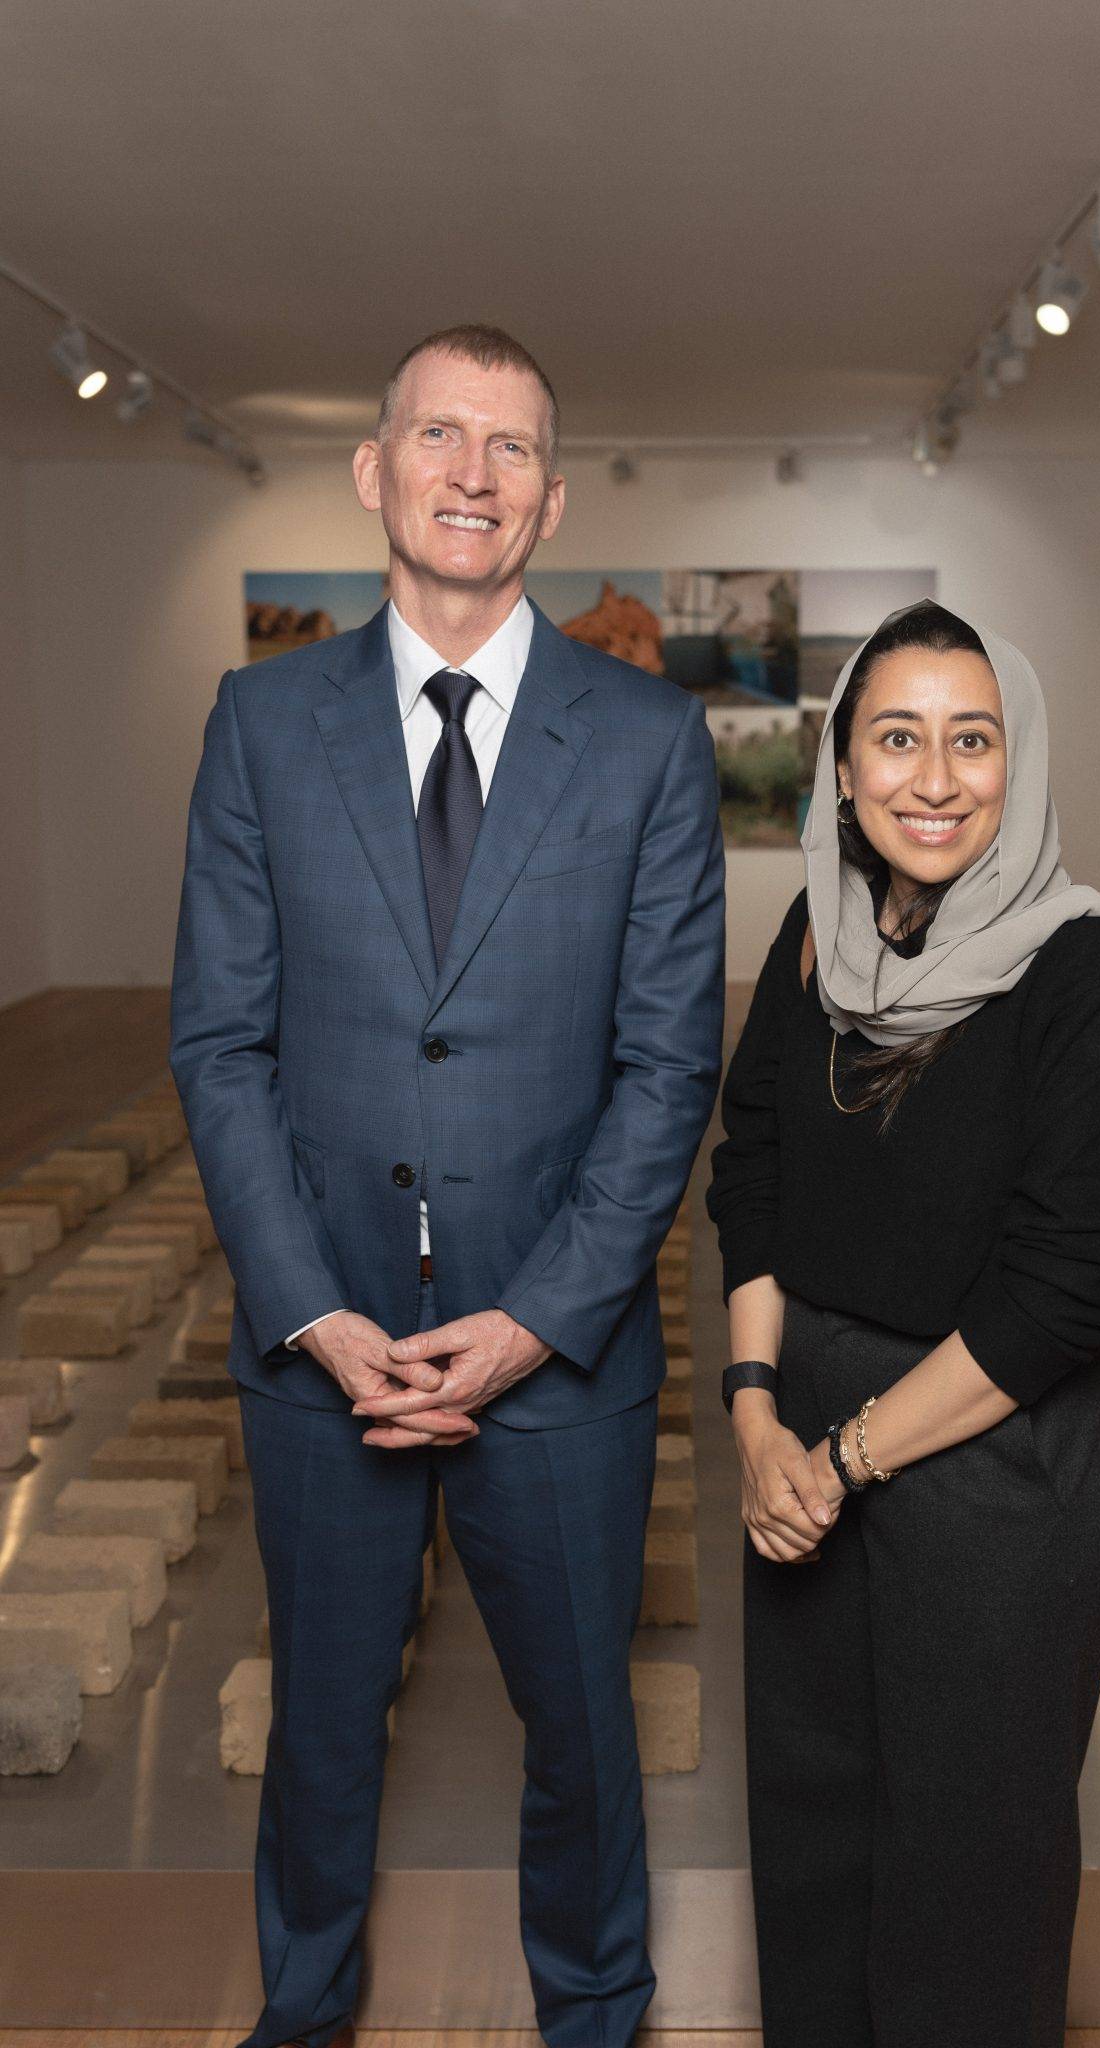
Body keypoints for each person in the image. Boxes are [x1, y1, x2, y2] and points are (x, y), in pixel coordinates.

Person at [170, 323, 725, 2048]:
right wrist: (316, 1312)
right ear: (374, 470)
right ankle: (305, 2013)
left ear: (551, 500)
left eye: (510, 448)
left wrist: (536, 1321)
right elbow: (220, 1047)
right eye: (440, 436)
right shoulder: (263, 723)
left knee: (581, 1735)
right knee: (321, 1737)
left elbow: (665, 1070)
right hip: (316, 1344)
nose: (471, 472)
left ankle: (595, 2016)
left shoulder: (644, 740)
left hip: (557, 1359)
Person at [706, 599, 1100, 2048]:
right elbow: (755, 1167)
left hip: (989, 1462)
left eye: (971, 739)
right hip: (799, 1444)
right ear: (843, 771)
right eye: (898, 737)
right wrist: (753, 1417)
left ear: (1021, 758)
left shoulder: (1090, 972)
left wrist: (845, 1457)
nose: (934, 778)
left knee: (968, 1873)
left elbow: (1068, 1287)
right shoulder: (817, 930)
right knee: (810, 1839)